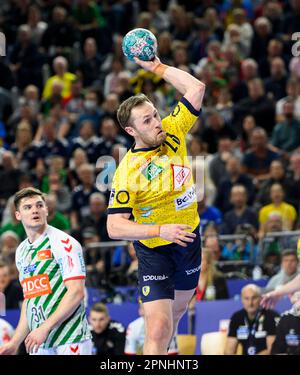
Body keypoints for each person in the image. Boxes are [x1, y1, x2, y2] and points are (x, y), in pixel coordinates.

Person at [107, 54, 206, 354]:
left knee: (175, 318)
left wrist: (157, 68)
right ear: (131, 131)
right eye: (147, 120)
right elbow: (114, 226)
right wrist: (159, 230)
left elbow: (197, 88)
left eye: (154, 114)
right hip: (155, 251)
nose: (156, 122)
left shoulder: (173, 130)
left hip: (188, 240)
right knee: (159, 327)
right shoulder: (127, 171)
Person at [0, 187, 92, 355]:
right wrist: (15, 342)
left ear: (47, 210)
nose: (35, 210)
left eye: (39, 205)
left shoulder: (64, 243)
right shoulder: (21, 251)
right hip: (40, 342)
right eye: (27, 207)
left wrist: (44, 328)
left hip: (70, 338)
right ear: (17, 215)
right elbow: (29, 301)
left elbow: (76, 292)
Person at [224, 284, 279, 355]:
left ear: (261, 298)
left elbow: (272, 350)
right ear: (242, 300)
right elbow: (229, 350)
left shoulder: (271, 316)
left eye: (254, 298)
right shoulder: (237, 317)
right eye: (246, 298)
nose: (250, 303)